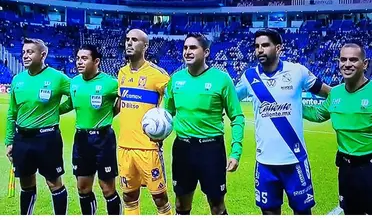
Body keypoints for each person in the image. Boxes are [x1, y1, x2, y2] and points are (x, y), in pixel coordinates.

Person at [235, 29, 330, 215]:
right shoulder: (249, 77)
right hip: (265, 163)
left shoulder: (297, 72)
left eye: (265, 45)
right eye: (256, 46)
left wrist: (318, 113)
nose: (260, 50)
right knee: (269, 213)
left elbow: (330, 93)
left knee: (303, 213)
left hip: (295, 160)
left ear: (278, 48)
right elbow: (229, 100)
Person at [164, 32, 245, 215]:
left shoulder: (222, 79)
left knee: (217, 205)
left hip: (211, 150)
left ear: (206, 52)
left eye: (193, 47)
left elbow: (237, 117)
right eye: (185, 47)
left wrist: (236, 151)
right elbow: (167, 114)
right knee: (180, 205)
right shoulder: (176, 80)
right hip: (183, 149)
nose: (187, 51)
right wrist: (157, 134)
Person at [303, 43, 372, 215]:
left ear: (365, 64)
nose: (347, 64)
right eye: (343, 59)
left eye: (353, 59)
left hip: (369, 166)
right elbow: (318, 115)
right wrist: (291, 104)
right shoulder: (335, 93)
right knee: (350, 212)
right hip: (346, 168)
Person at [5, 38, 70, 215]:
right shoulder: (18, 79)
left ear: (43, 55)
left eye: (30, 52)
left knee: (54, 183)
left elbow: (76, 95)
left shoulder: (57, 77)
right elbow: (12, 113)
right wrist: (9, 141)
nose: (25, 55)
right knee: (26, 184)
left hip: (47, 139)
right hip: (22, 139)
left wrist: (59, 110)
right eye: (24, 52)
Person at [59, 44, 122, 215]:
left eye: (84, 58)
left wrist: (109, 116)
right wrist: (52, 111)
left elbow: (123, 101)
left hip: (103, 140)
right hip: (81, 140)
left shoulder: (110, 83)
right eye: (78, 58)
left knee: (107, 188)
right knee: (83, 187)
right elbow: (70, 104)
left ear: (96, 61)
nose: (79, 62)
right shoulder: (74, 82)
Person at [116, 29, 172, 215]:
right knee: (129, 197)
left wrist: (164, 122)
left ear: (145, 46)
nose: (129, 43)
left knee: (160, 198)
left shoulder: (157, 74)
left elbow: (173, 97)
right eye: (127, 39)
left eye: (135, 40)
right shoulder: (121, 73)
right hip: (124, 146)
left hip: (148, 147)